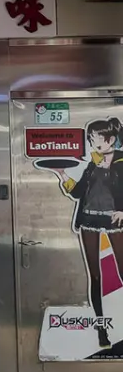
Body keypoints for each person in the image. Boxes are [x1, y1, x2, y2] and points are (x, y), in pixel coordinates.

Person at [55, 117, 123, 349]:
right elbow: (78, 193)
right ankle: (101, 329)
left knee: (122, 271)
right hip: (89, 219)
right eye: (91, 140)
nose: (93, 144)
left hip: (115, 220)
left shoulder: (121, 163)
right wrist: (62, 175)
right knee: (95, 276)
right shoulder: (93, 164)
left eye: (95, 140)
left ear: (111, 139)